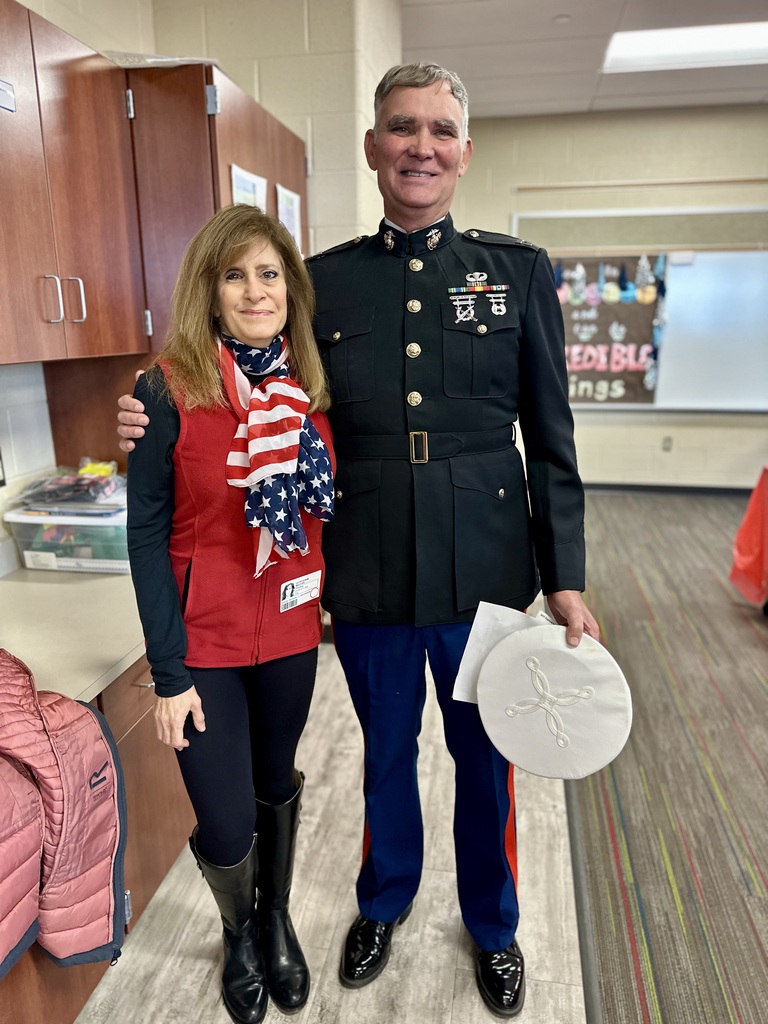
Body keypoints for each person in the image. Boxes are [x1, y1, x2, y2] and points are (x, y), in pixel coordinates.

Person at [119, 63, 599, 1019]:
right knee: (385, 755)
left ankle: (494, 924)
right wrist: (141, 414)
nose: (422, 146)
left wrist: (567, 578)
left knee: (484, 759)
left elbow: (551, 442)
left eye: (441, 131)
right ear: (375, 146)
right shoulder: (323, 284)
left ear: (465, 151)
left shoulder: (515, 274)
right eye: (402, 128)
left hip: (488, 572)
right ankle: (381, 903)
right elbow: (243, 375)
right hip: (370, 570)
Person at [126, 204, 334, 1024]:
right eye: (235, 275)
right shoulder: (164, 390)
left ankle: (274, 914)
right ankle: (237, 930)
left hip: (289, 629)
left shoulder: (312, 389)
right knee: (222, 812)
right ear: (209, 294)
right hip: (203, 641)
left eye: (270, 274)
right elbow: (143, 532)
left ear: (292, 290)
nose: (255, 291)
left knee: (273, 782)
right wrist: (168, 674)